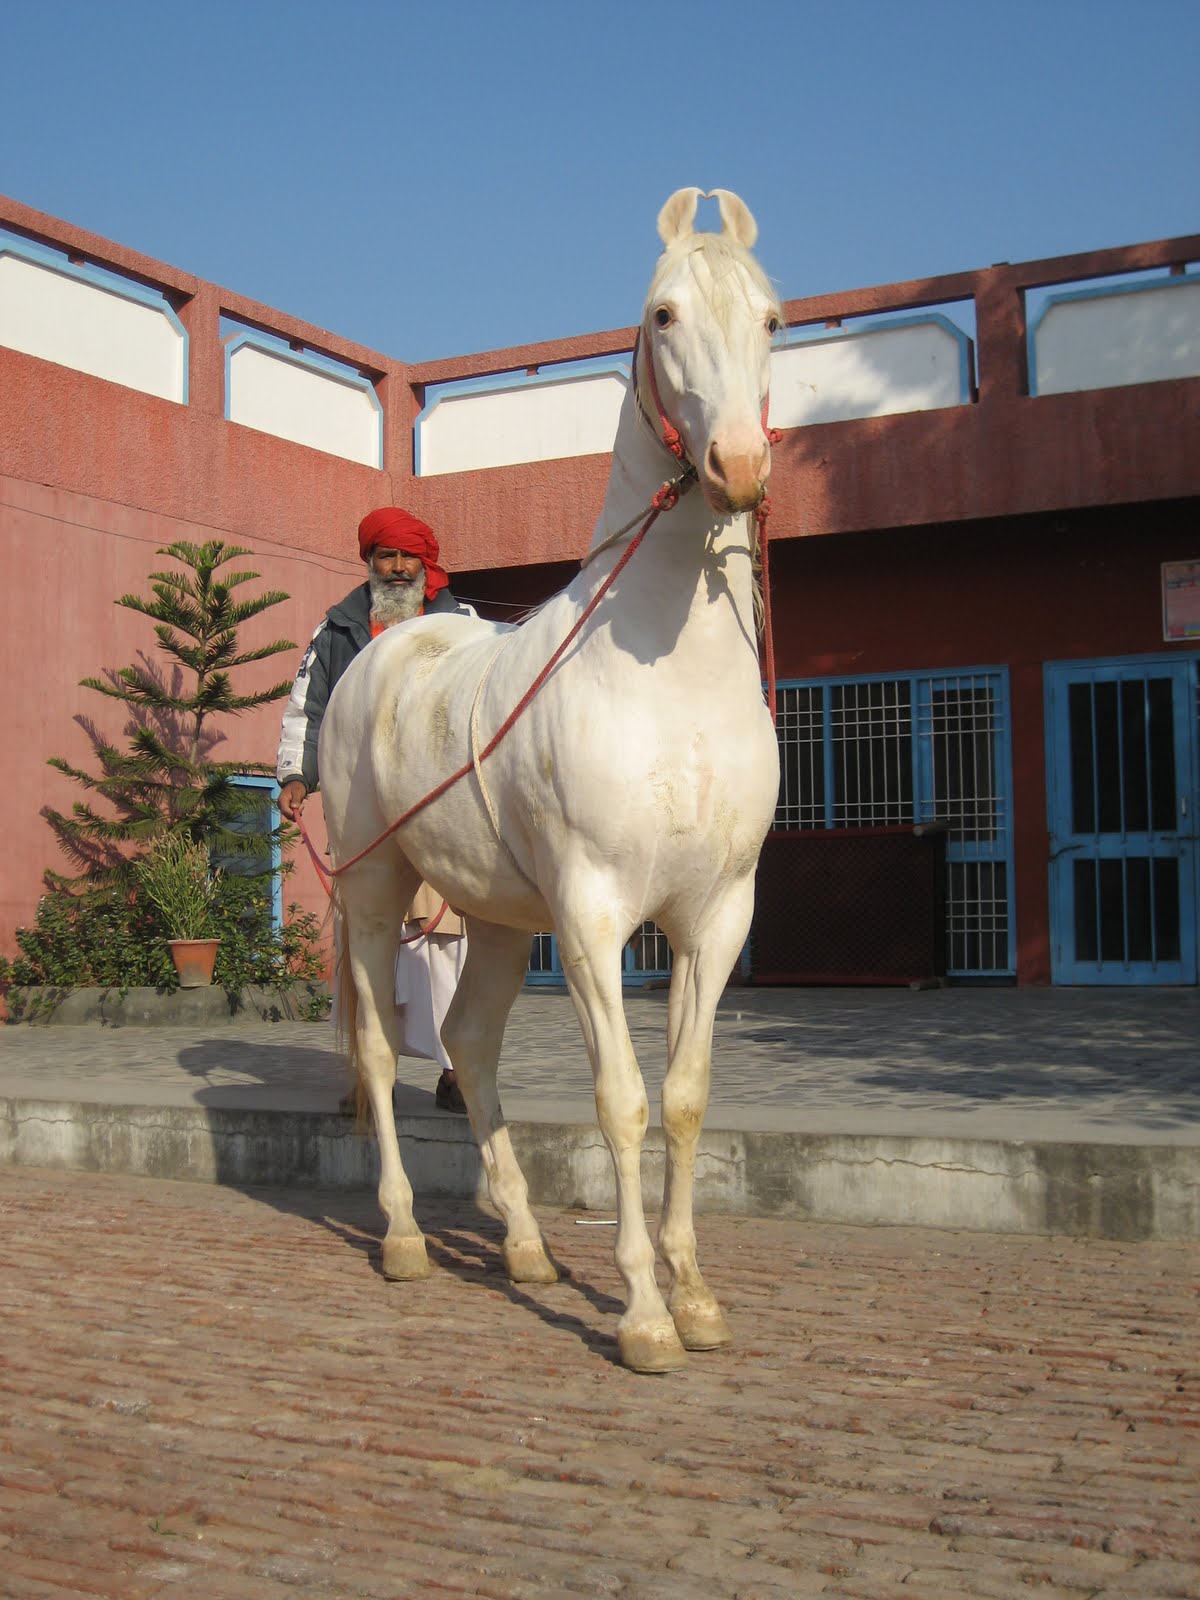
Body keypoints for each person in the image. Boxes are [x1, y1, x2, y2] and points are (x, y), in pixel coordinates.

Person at [277, 506, 473, 1113]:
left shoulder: (461, 623)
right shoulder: (337, 630)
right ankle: (370, 1075)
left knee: (443, 944)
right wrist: (294, 774)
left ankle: (459, 1070)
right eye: (384, 557)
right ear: (369, 564)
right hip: (362, 807)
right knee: (368, 943)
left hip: (438, 808)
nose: (395, 568)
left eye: (405, 557)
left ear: (424, 562)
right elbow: (307, 708)